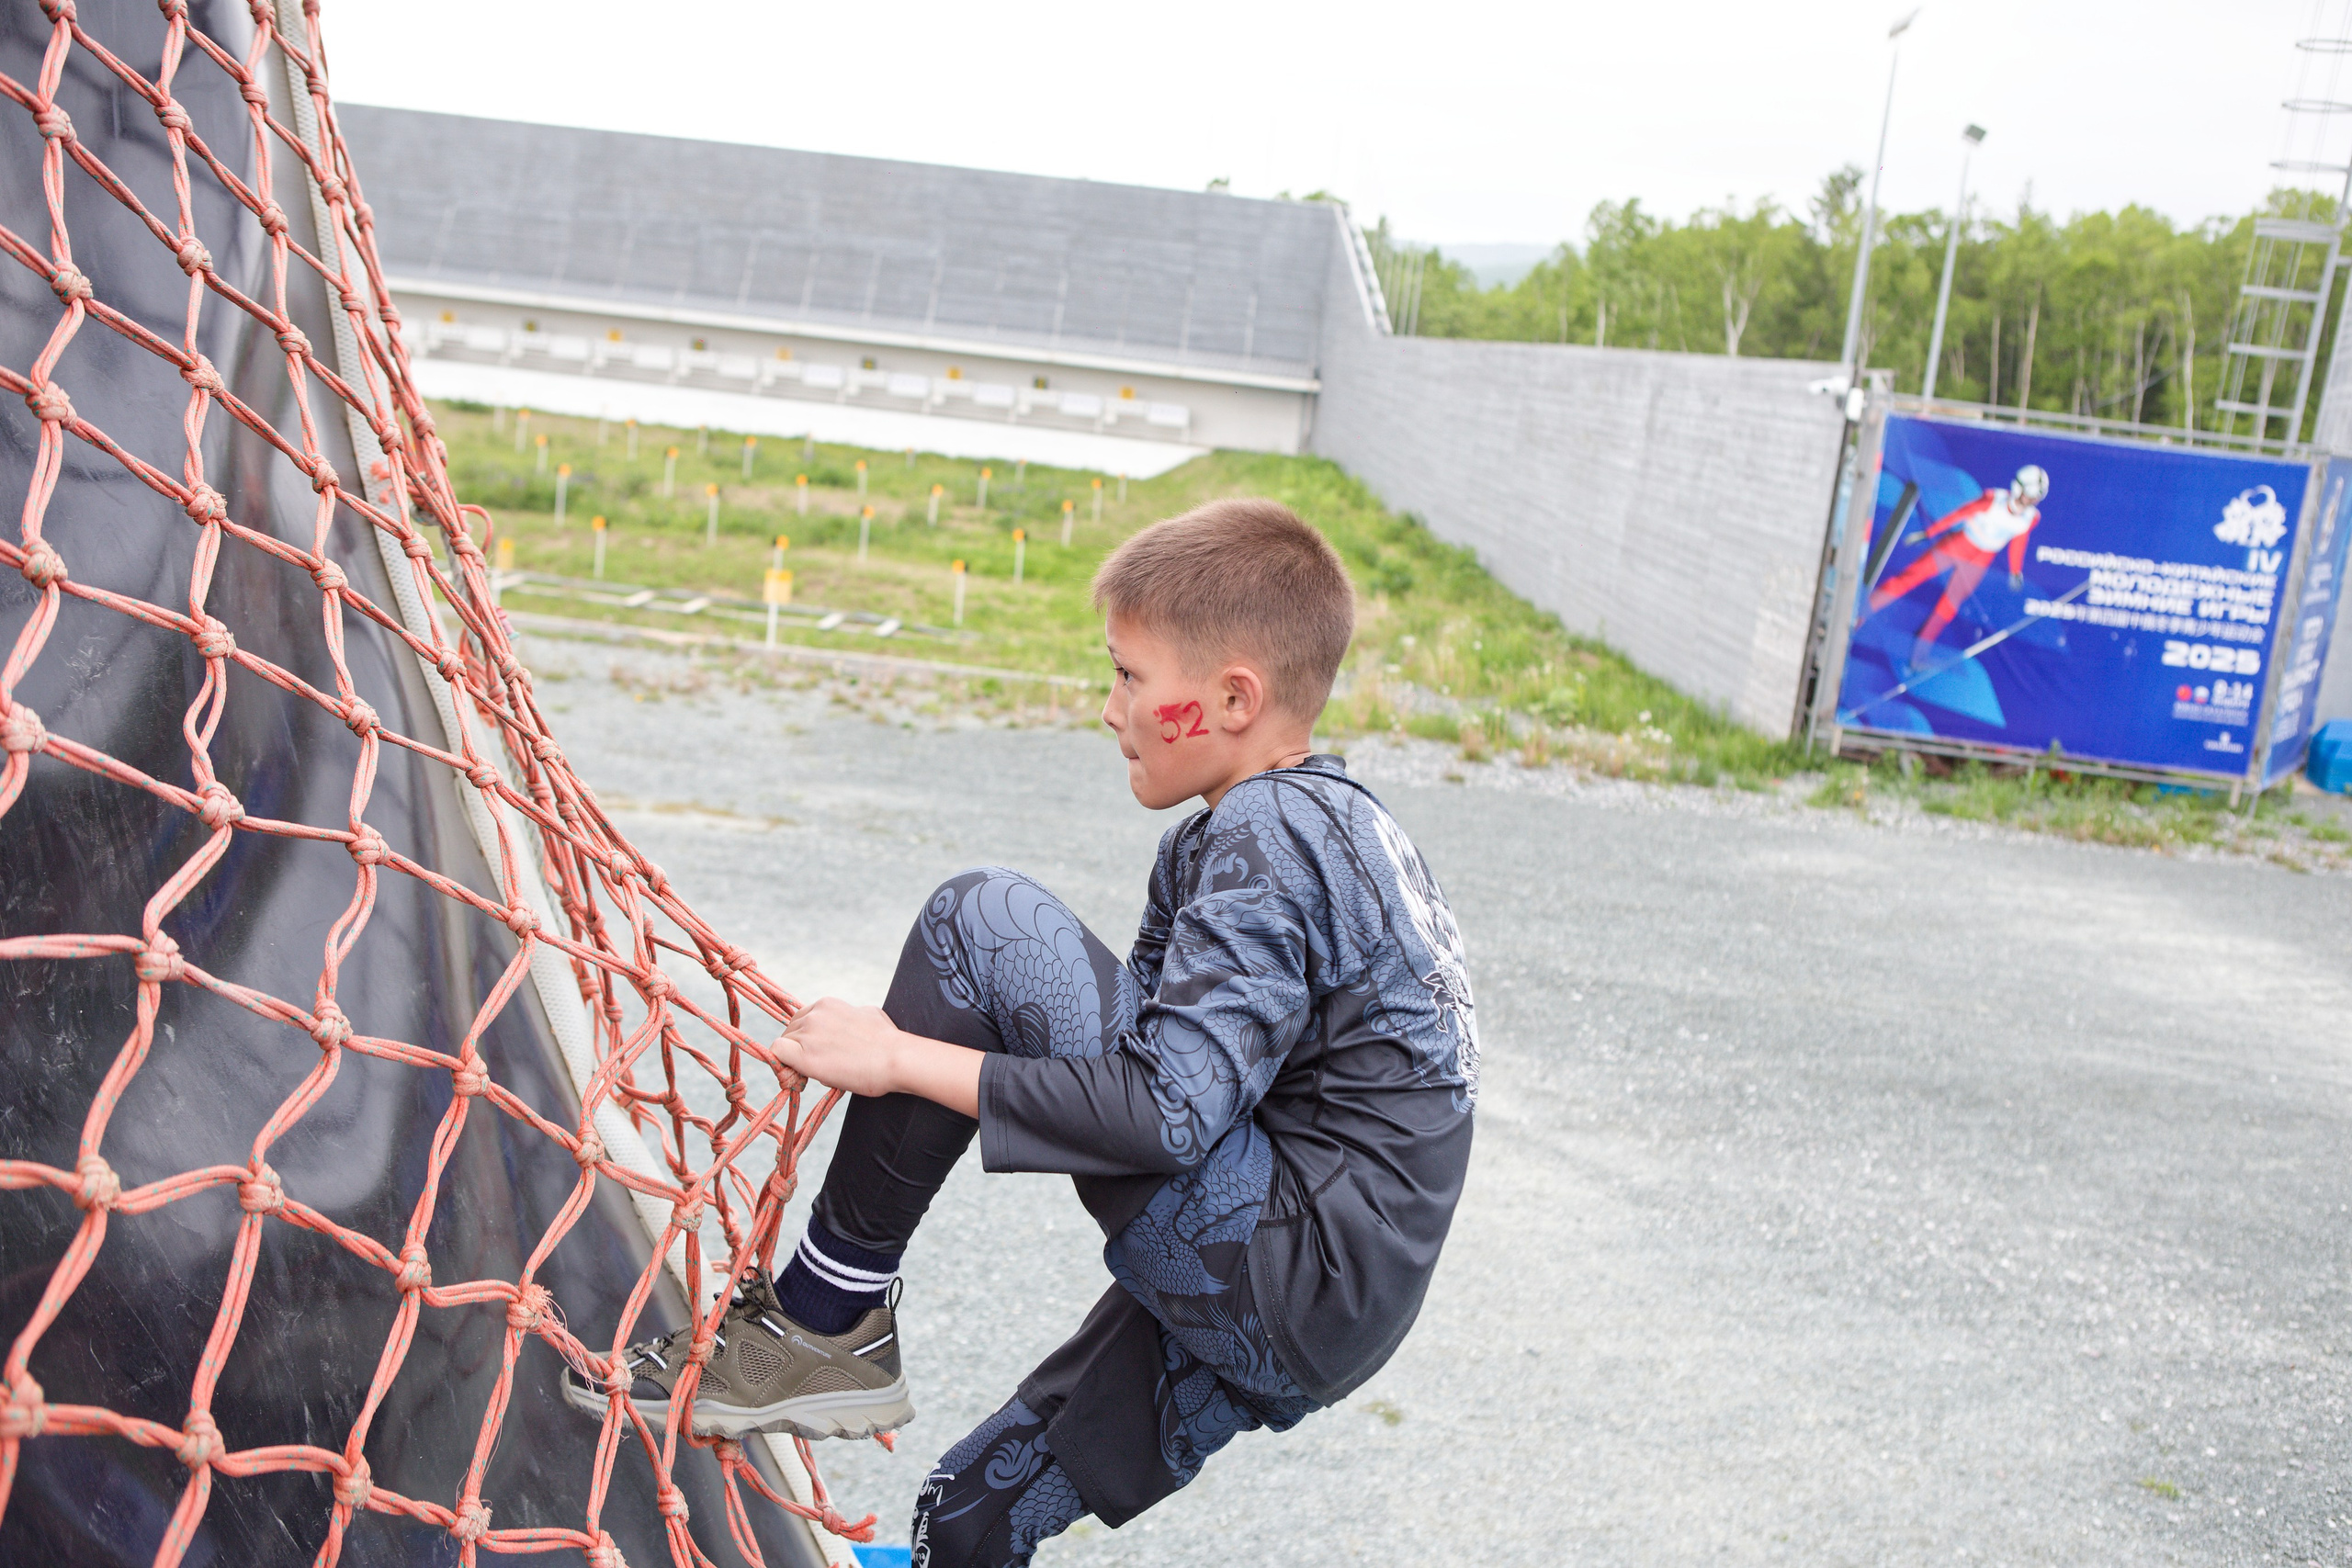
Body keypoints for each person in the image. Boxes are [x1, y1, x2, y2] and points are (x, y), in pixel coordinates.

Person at [563, 498, 1480, 1568]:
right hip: (1322, 1313)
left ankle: (823, 1322)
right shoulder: (1335, 826)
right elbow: (1151, 1077)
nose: (1110, 709)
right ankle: (838, 1351)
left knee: (983, 923)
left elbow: (1163, 1109)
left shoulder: (1270, 832)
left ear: (1234, 698)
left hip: (1283, 1259)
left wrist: (899, 1056)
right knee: (966, 1515)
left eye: (1131, 678)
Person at [1866, 463, 2050, 671]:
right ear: (2019, 489)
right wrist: (1929, 533)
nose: (2032, 501)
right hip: (1958, 545)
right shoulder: (1992, 500)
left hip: (1981, 559)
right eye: (2030, 495)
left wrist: (2015, 570)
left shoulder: (2031, 517)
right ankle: (1862, 613)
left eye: (2036, 498)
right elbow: (1960, 514)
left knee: (1949, 606)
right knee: (1910, 578)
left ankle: (1918, 658)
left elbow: (2019, 541)